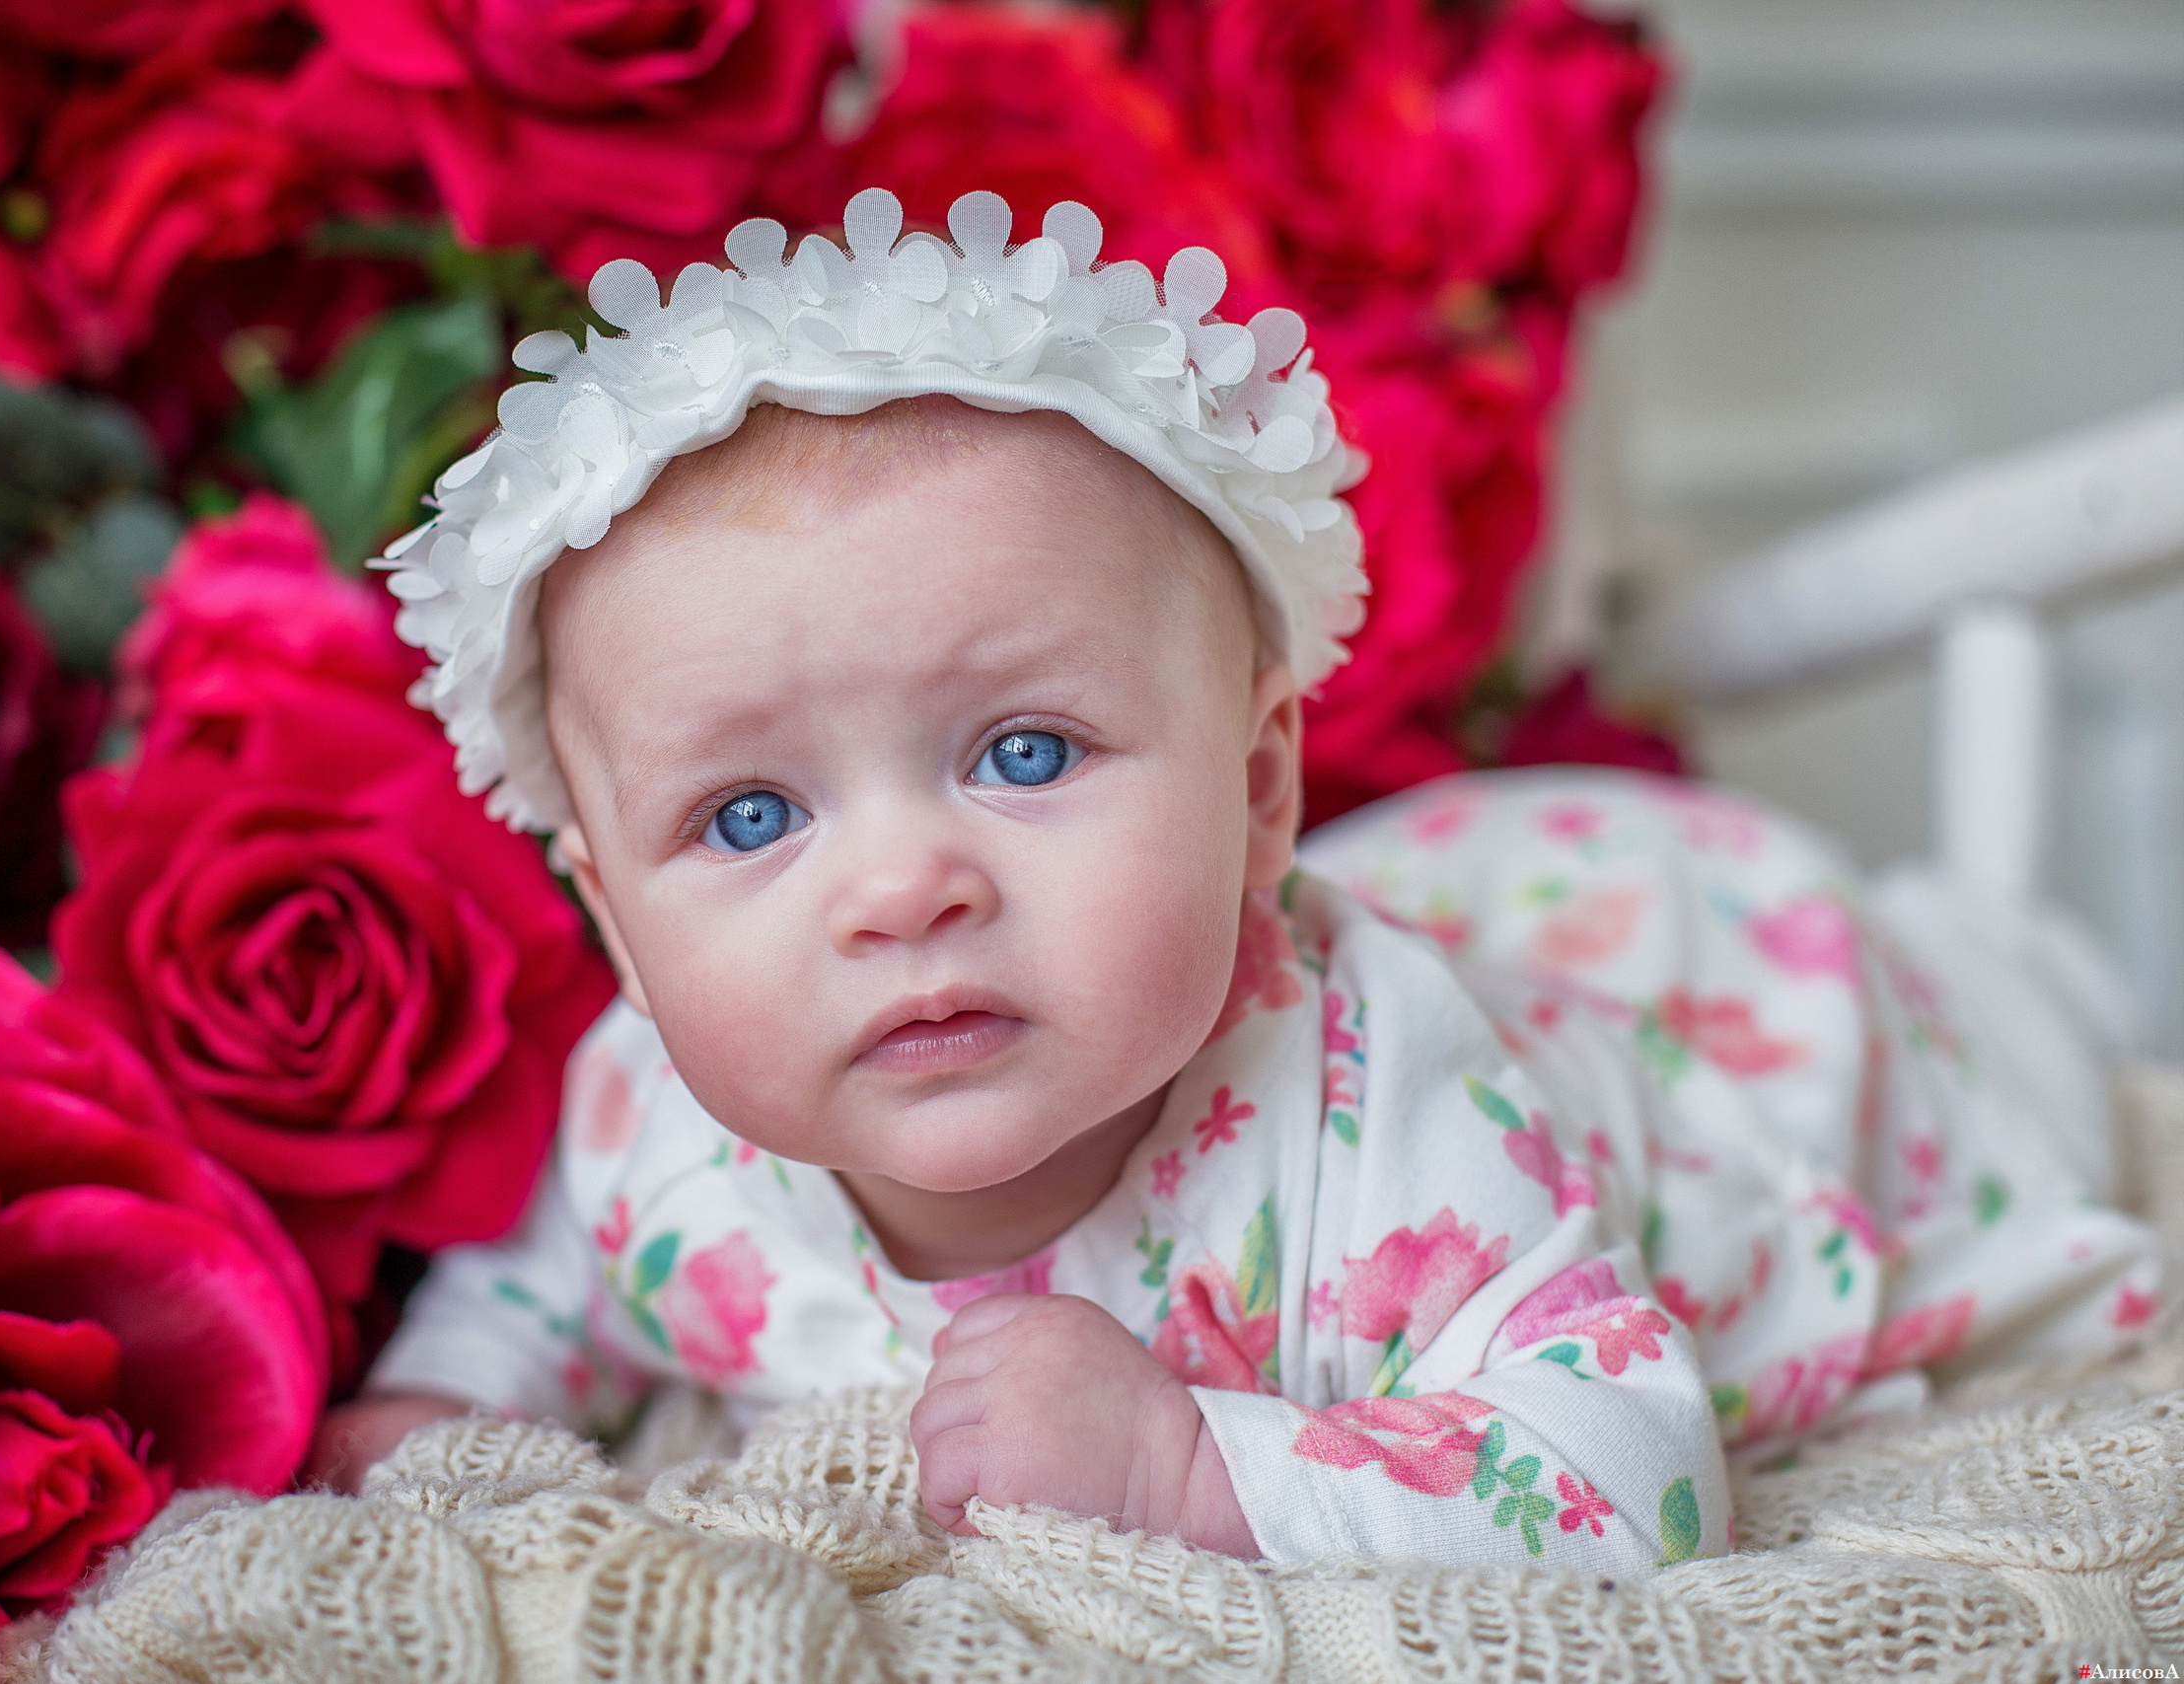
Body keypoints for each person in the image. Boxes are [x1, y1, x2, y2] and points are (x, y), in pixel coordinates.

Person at [304, 190, 2162, 1573]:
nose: (901, 889)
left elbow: (1634, 1468)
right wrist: (451, 1393)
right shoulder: (647, 1125)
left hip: (1740, 1001)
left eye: (1025, 754)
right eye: (746, 819)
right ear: (618, 928)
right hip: (1488, 889)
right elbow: (544, 1279)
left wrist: (1195, 1469)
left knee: (2010, 1036)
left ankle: (1998, 970)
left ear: (1260, 786)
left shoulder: (1385, 1113)